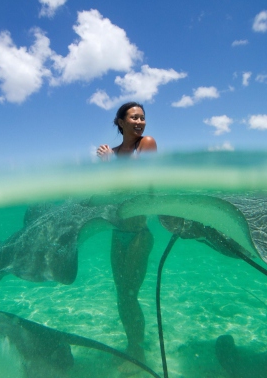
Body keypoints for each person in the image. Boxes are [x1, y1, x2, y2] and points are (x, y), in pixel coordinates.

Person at [97, 102, 157, 372]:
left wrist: (108, 165)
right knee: (122, 295)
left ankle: (137, 352)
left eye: (142, 117)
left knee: (130, 294)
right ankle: (132, 345)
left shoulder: (146, 144)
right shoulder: (112, 153)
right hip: (117, 233)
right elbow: (110, 194)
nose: (140, 121)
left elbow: (136, 180)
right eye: (134, 117)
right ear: (120, 122)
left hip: (137, 235)